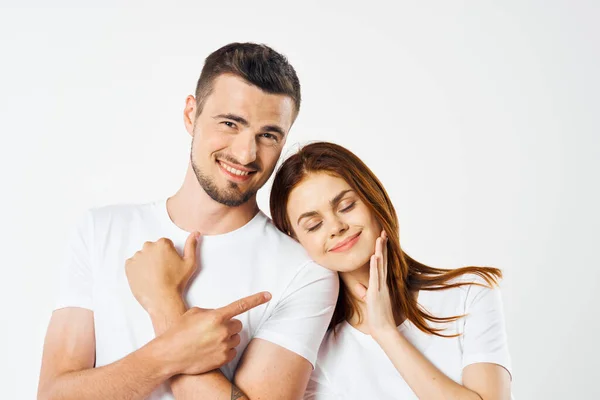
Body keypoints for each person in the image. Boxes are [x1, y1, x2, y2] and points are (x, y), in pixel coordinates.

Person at [38, 43, 338, 400]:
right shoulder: (101, 230)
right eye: (230, 123)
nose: (246, 153)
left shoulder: (304, 273)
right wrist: (173, 351)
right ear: (191, 114)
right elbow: (54, 395)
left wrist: (164, 302)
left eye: (268, 135)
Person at [269, 141, 513, 399]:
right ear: (297, 242)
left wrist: (386, 332)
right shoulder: (315, 354)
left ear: (373, 199)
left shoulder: (467, 295)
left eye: (347, 206)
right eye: (314, 224)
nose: (336, 227)